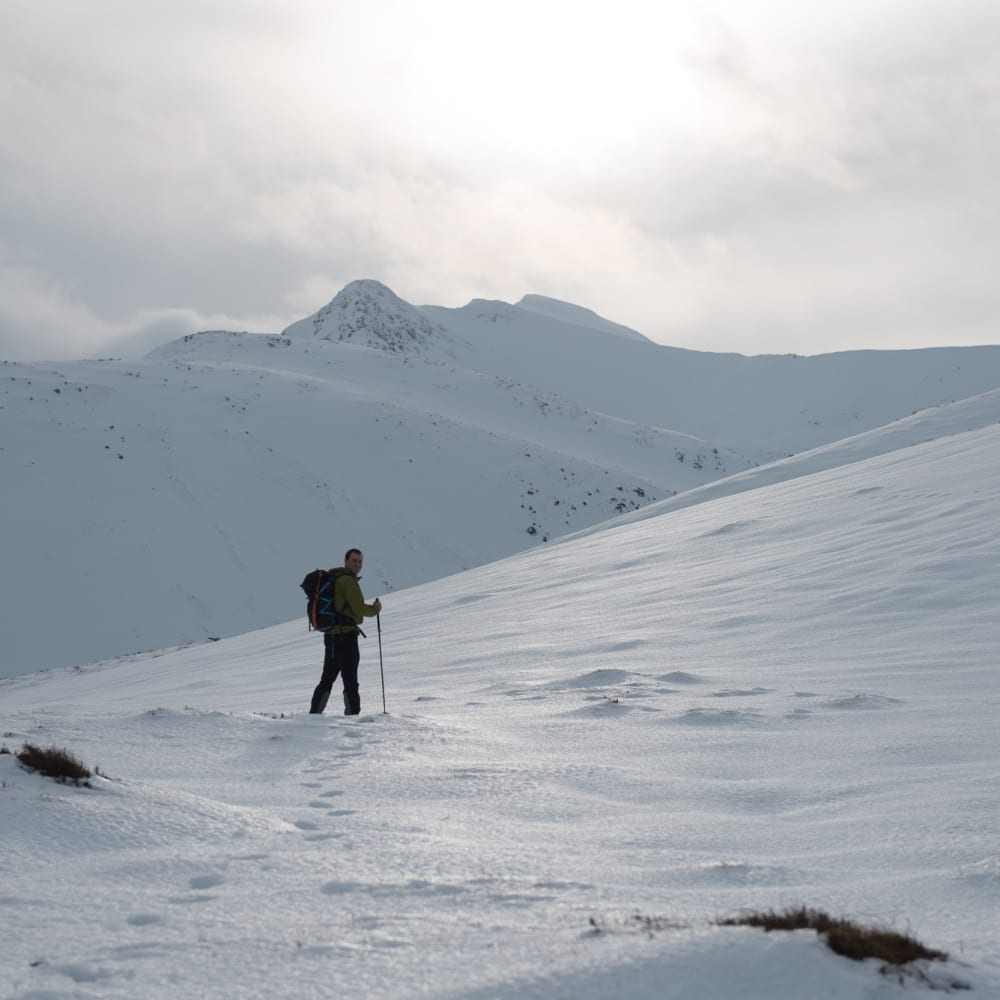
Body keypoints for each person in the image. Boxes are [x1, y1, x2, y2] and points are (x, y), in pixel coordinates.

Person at [309, 548, 382, 715]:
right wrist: (375, 609)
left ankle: (314, 715)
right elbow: (359, 608)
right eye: (354, 561)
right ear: (346, 561)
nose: (357, 564)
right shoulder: (347, 581)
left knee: (327, 679)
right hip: (347, 637)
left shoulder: (335, 577)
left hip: (331, 637)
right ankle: (353, 717)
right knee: (350, 681)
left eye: (360, 561)